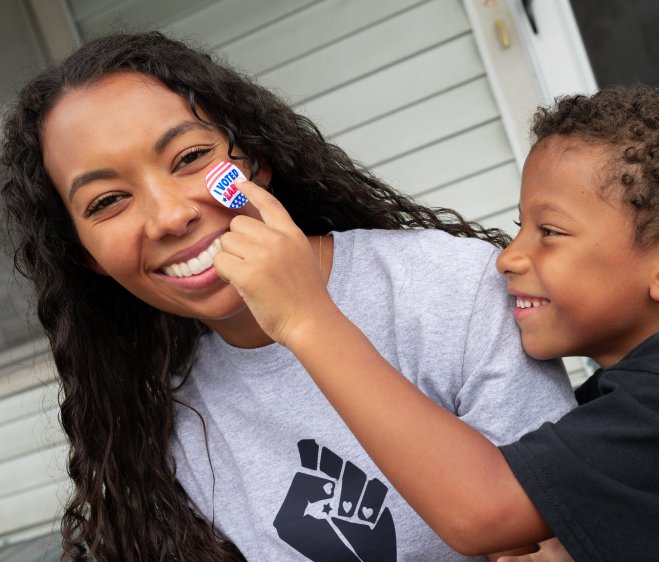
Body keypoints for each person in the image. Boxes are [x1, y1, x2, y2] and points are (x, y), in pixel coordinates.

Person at [219, 85, 659, 560]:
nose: (508, 258)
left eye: (548, 232)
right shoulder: (657, 392)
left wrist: (309, 319)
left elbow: (479, 511)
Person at [0, 32, 576, 562]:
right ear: (86, 257)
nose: (170, 216)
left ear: (257, 159)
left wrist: (305, 318)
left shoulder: (449, 287)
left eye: (190, 158)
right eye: (107, 202)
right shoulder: (170, 423)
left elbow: (560, 522)